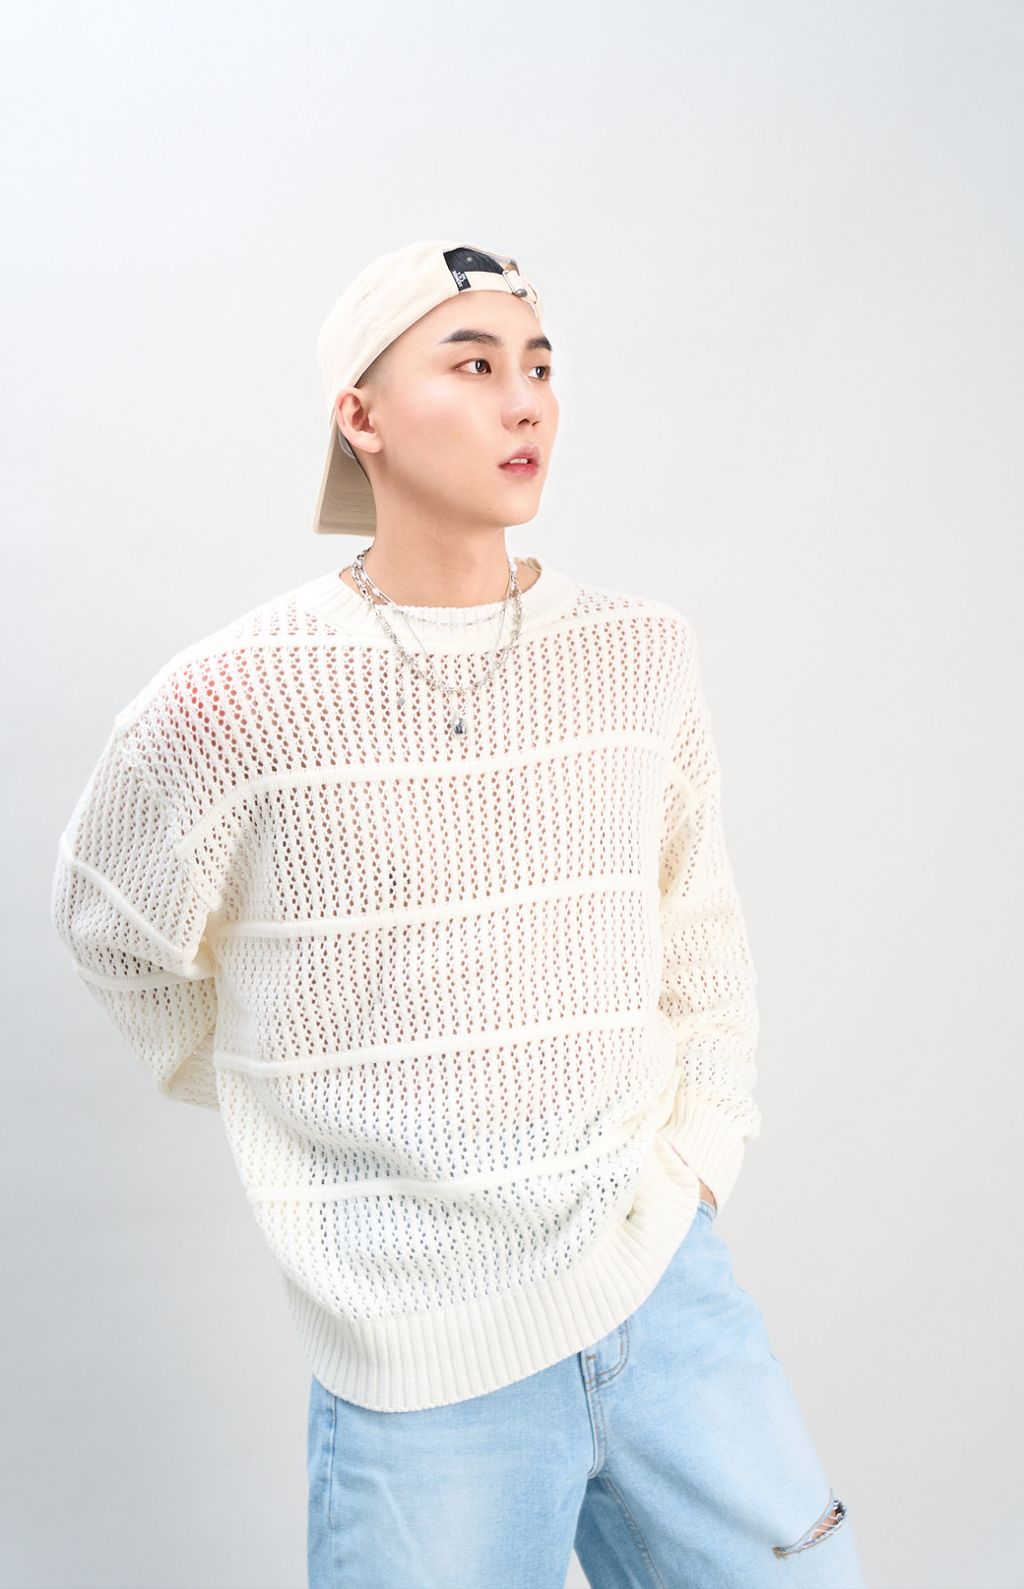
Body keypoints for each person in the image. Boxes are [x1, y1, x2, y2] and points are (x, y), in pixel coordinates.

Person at [51, 240, 866, 1587]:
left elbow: (697, 939)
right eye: (474, 365)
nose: (525, 400)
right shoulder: (234, 699)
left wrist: (699, 1159)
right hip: (422, 1357)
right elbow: (112, 930)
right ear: (360, 416)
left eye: (538, 365)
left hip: (663, 1292)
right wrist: (288, 1083)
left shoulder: (639, 655)